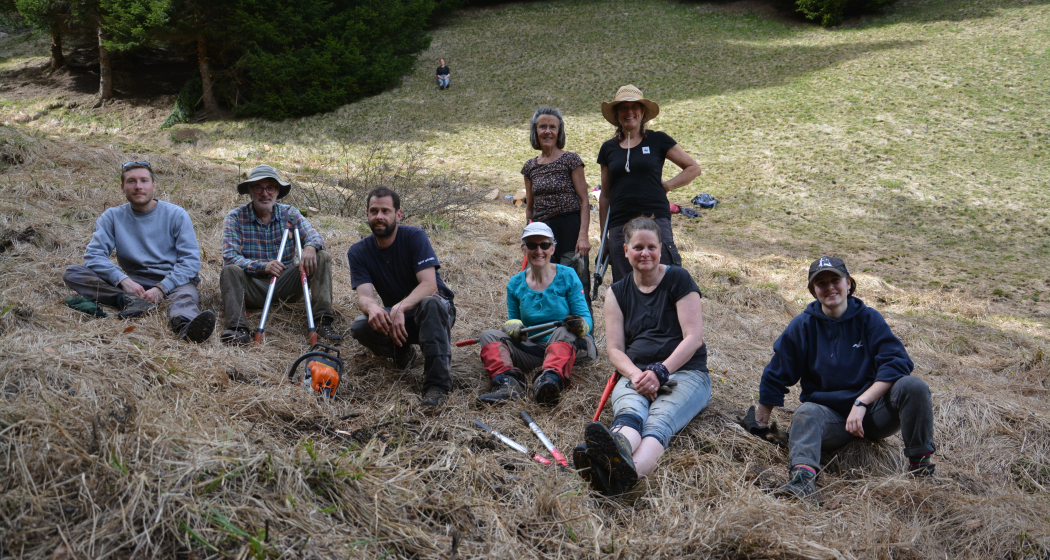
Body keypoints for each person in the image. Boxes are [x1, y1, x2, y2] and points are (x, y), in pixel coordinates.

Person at [740, 256, 935, 500]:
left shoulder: (869, 319)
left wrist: (862, 403)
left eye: (835, 280)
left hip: (873, 415)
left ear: (849, 284)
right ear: (813, 291)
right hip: (830, 421)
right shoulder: (803, 325)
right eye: (821, 283)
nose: (829, 287)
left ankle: (921, 469)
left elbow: (897, 364)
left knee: (913, 386)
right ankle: (802, 481)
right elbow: (776, 373)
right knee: (807, 411)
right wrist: (760, 424)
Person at [575, 216, 711, 496]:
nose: (645, 253)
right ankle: (616, 451)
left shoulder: (679, 279)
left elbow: (693, 338)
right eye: (638, 247)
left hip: (685, 372)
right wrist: (638, 376)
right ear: (625, 251)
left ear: (661, 248)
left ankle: (625, 477)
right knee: (630, 413)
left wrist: (660, 372)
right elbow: (614, 349)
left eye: (651, 247)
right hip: (635, 373)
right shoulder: (617, 292)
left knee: (658, 420)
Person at [62, 161, 216, 343]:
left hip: (174, 281)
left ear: (153, 186)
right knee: (73, 273)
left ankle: (186, 327)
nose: (138, 187)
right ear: (122, 187)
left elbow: (190, 262)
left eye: (144, 181)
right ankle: (127, 300)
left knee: (185, 297)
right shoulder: (112, 216)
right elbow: (93, 255)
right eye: (131, 181)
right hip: (134, 281)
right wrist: (123, 280)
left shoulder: (176, 215)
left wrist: (162, 287)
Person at [348, 187, 457, 409]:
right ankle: (403, 353)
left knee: (431, 303)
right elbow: (365, 297)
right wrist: (373, 309)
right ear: (367, 214)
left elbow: (429, 285)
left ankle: (437, 386)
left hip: (435, 309)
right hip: (400, 318)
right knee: (360, 326)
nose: (379, 216)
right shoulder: (358, 252)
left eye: (386, 211)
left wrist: (399, 307)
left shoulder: (414, 237)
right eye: (374, 211)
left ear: (398, 215)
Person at [476, 222, 597, 406]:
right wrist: (513, 328)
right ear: (523, 249)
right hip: (536, 348)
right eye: (532, 245)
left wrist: (581, 325)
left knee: (563, 330)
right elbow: (514, 320)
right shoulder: (515, 284)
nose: (539, 250)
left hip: (572, 344)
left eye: (545, 245)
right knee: (489, 336)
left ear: (553, 248)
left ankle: (550, 382)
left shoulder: (568, 275)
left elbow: (586, 319)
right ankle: (508, 384)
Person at [218, 164, 340, 345]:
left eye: (270, 188)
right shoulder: (235, 217)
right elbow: (230, 256)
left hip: (286, 285)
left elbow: (315, 237)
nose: (264, 193)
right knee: (229, 270)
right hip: (253, 286)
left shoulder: (290, 213)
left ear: (277, 191)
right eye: (258, 187)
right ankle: (238, 329)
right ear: (250, 191)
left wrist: (310, 246)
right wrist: (263, 267)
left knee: (321, 256)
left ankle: (323, 323)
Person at [597, 84, 701, 283]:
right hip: (620, 225)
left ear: (642, 111)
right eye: (623, 108)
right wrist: (604, 237)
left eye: (634, 106)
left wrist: (668, 185)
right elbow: (606, 196)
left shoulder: (658, 140)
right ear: (617, 113)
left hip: (655, 219)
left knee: (663, 280)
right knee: (625, 285)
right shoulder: (608, 149)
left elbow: (693, 168)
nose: (629, 112)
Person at [521, 107, 591, 298]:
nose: (547, 131)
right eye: (542, 126)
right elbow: (530, 208)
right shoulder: (530, 167)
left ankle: (583, 327)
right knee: (546, 287)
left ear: (559, 131)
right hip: (542, 233)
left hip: (569, 228)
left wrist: (583, 236)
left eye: (552, 127)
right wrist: (527, 237)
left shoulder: (571, 159)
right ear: (535, 131)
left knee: (576, 286)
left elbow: (584, 200)